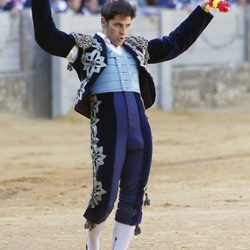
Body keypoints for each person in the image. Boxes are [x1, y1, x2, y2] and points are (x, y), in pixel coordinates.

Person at [31, 0, 213, 249]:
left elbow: (175, 43)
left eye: (127, 25)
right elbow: (47, 36)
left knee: (134, 194)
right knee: (104, 196)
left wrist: (202, 11)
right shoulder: (84, 47)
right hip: (108, 130)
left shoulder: (136, 47)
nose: (123, 31)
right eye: (118, 25)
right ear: (104, 22)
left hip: (140, 127)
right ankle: (92, 242)